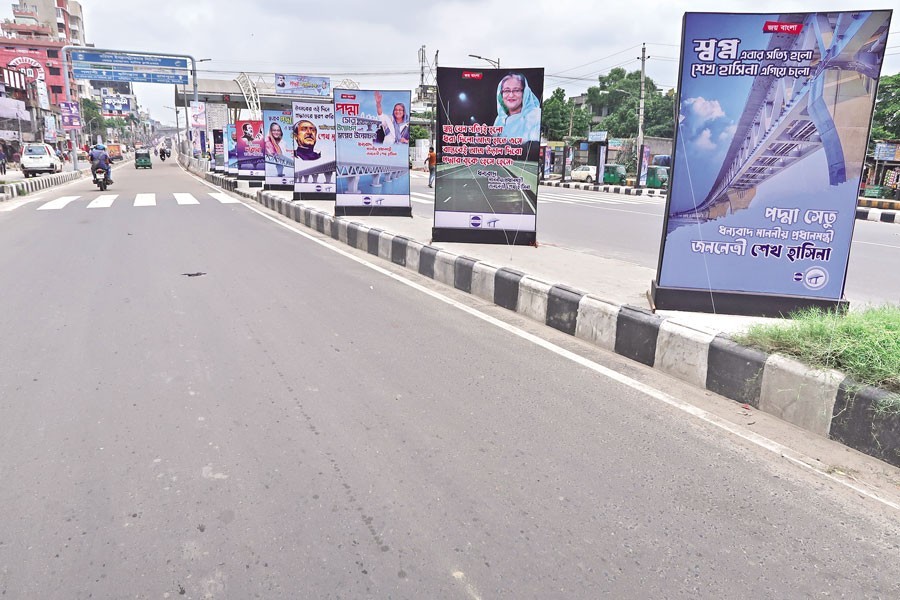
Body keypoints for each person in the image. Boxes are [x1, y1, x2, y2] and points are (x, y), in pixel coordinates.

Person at [494, 73, 542, 142]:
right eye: (507, 90)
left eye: (516, 90)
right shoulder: (500, 120)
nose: (511, 95)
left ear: (524, 92)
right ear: (501, 94)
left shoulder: (535, 116)